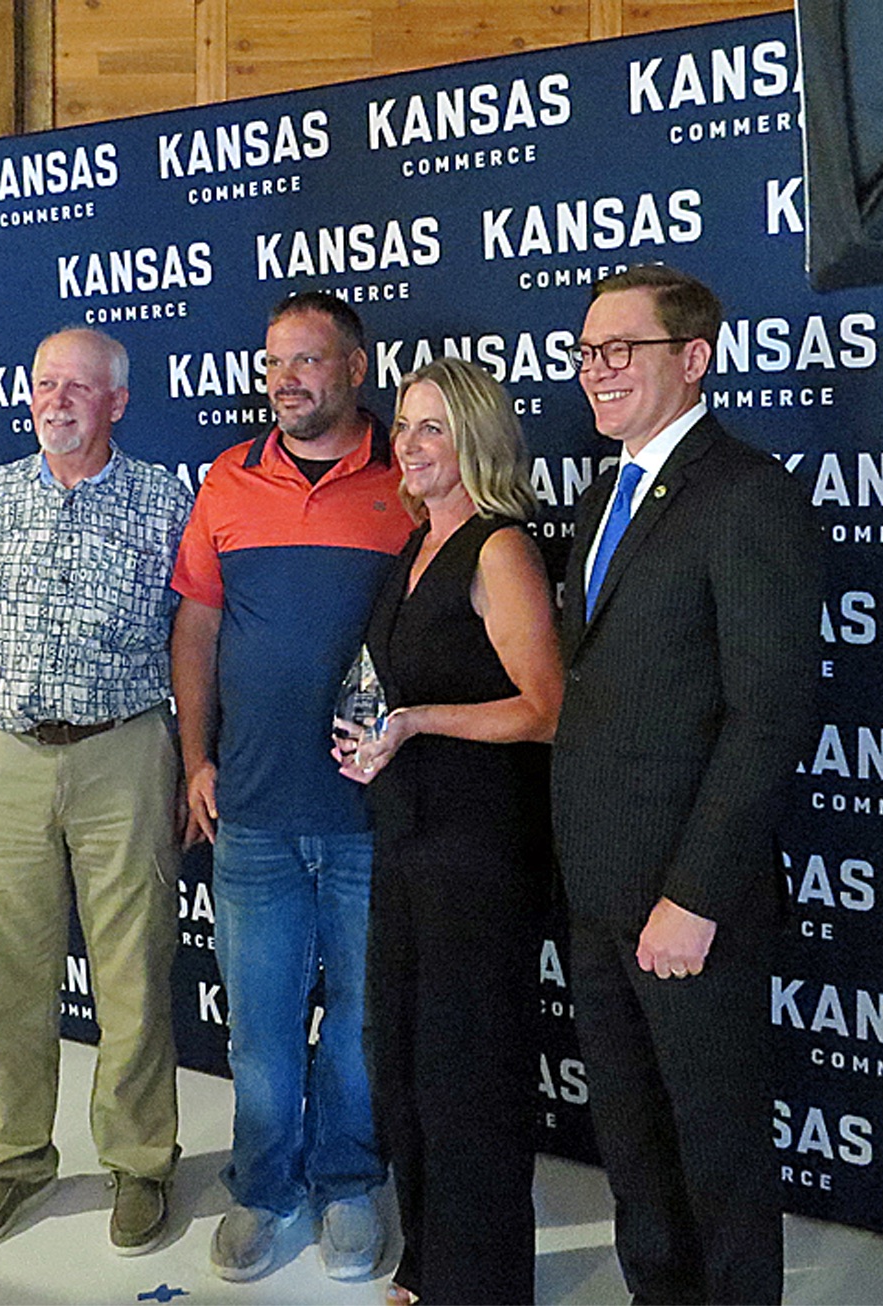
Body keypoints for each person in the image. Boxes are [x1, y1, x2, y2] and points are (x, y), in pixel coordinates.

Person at [551, 265, 822, 1305]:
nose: (595, 371)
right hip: (595, 896)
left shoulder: (744, 495)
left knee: (714, 1158)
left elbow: (771, 713)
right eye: (585, 352)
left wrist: (695, 895)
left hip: (684, 904)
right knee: (632, 1153)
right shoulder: (601, 494)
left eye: (620, 349)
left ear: (692, 358)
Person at [0, 327, 192, 1256]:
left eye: (80, 386)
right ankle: (12, 1159)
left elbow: (196, 638)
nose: (57, 400)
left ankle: (141, 1161)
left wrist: (194, 756)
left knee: (134, 972)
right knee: (7, 971)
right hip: (6, 755)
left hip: (125, 751)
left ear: (118, 401)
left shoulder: (165, 500)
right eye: (45, 384)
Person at [170, 291, 410, 1282]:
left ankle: (349, 1180)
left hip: (367, 814)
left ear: (356, 369)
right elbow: (195, 627)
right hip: (255, 813)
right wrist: (194, 759)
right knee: (262, 1030)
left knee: (358, 1020)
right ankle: (265, 1188)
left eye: (309, 361)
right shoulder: (228, 479)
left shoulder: (411, 477)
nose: (286, 380)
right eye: (274, 362)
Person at [336, 356, 563, 1306]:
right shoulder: (415, 543)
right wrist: (375, 739)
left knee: (469, 1076)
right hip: (409, 840)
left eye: (433, 426)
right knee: (411, 1069)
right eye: (404, 425)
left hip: (479, 850)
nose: (410, 443)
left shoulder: (498, 548)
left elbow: (544, 710)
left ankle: (483, 1285)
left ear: (476, 437)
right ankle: (428, 1267)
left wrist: (419, 723)